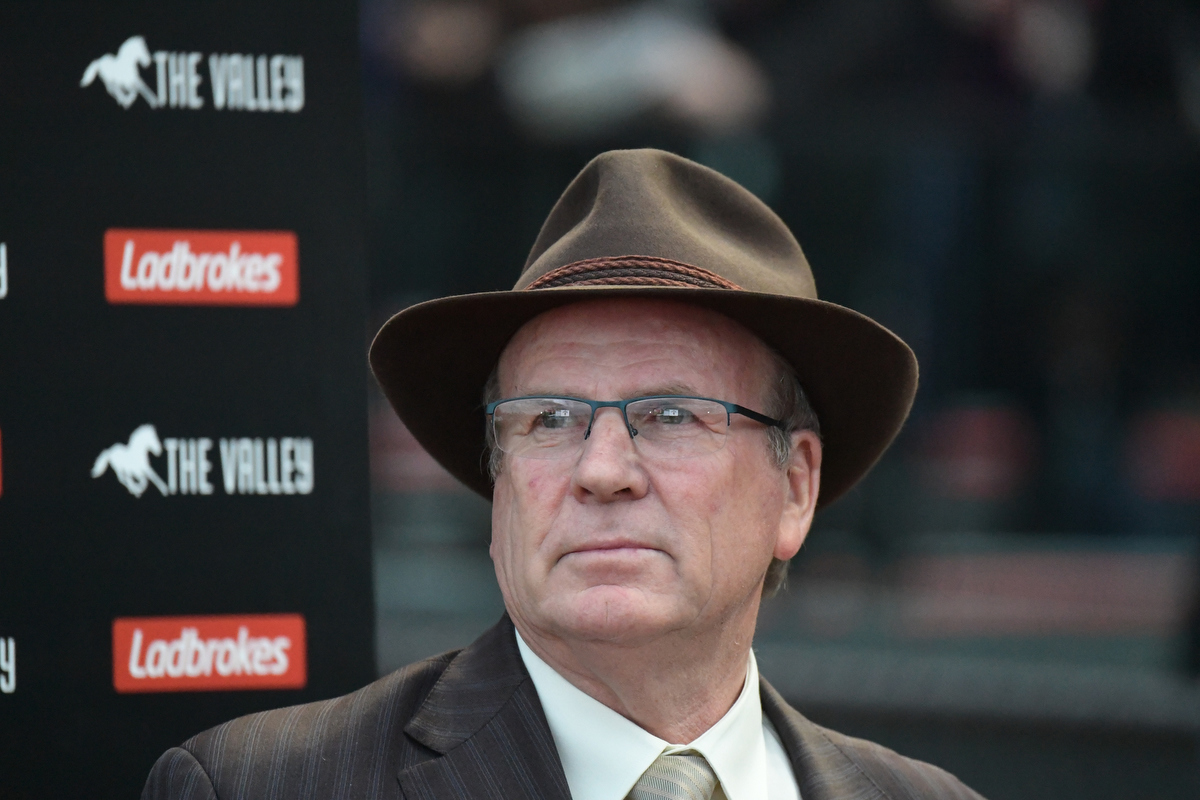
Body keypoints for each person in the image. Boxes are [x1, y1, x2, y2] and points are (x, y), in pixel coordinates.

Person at [143, 149, 985, 800]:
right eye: (549, 418)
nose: (602, 470)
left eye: (669, 414)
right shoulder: (261, 787)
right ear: (499, 478)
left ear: (795, 488)